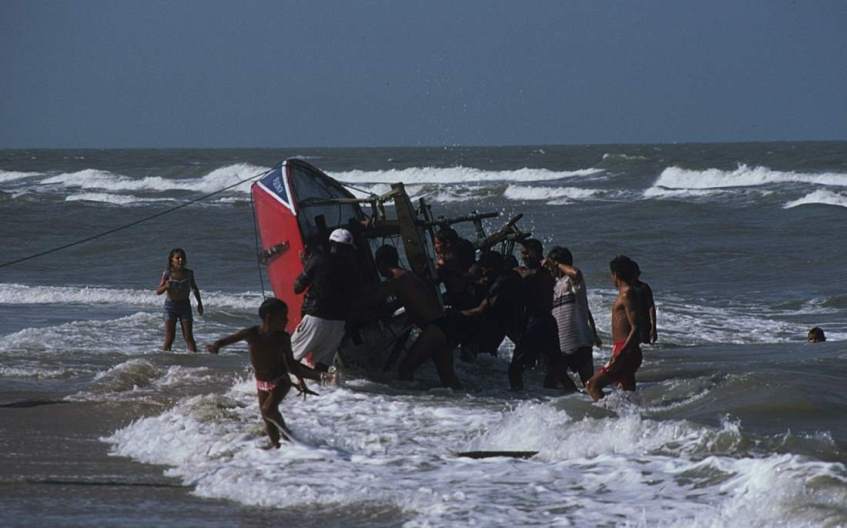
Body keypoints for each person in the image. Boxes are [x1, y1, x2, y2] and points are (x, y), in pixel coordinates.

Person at [206, 298, 326, 449]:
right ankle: (277, 447)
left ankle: (288, 435)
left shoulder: (282, 338)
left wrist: (303, 381)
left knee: (268, 410)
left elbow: (291, 364)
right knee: (267, 418)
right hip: (261, 383)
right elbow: (230, 339)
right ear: (269, 317)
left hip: (281, 380)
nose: (286, 320)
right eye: (283, 316)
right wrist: (216, 345)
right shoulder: (252, 333)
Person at [364, 244, 462, 389]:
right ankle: (466, 401)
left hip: (434, 329)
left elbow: (374, 299)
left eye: (377, 264)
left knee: (405, 370)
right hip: (444, 326)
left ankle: (411, 401)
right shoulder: (409, 276)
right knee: (448, 378)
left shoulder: (396, 280)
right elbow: (406, 301)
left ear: (382, 263)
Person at [291, 228, 357, 371]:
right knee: (321, 367)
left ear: (331, 243)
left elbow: (297, 288)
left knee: (289, 359)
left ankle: (280, 384)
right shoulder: (353, 267)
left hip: (316, 317)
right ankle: (320, 386)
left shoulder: (318, 259)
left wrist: (306, 265)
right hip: (338, 322)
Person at [510, 239, 566, 391]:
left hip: (537, 323)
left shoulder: (542, 272)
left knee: (516, 367)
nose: (523, 256)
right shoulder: (543, 272)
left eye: (526, 253)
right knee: (555, 366)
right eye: (522, 253)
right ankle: (567, 396)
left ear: (536, 253)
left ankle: (518, 398)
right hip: (546, 322)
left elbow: (530, 275)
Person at [586, 256, 643, 400]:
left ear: (616, 275)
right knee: (627, 392)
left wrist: (621, 353)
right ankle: (632, 415)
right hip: (627, 349)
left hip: (625, 349)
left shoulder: (626, 293)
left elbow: (636, 327)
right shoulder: (626, 293)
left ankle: (609, 413)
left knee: (592, 385)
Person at [546, 246, 602, 387]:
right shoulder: (554, 285)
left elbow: (576, 273)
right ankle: (576, 397)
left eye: (552, 264)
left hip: (580, 342)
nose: (550, 268)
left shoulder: (571, 281)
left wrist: (556, 263)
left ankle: (591, 400)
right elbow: (586, 310)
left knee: (589, 384)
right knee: (554, 380)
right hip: (562, 344)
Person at [156, 248, 204, 352]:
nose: (180, 260)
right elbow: (158, 291)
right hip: (170, 307)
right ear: (171, 260)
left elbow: (194, 288)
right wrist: (165, 286)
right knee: (169, 338)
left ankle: (195, 358)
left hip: (185, 306)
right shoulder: (167, 273)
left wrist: (200, 304)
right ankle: (164, 359)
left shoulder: (189, 273)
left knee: (188, 337)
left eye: (182, 258)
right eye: (177, 258)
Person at [631, 260, 657, 344]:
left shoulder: (644, 287)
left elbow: (651, 307)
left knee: (644, 347)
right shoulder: (626, 288)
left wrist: (653, 327)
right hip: (630, 323)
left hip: (643, 324)